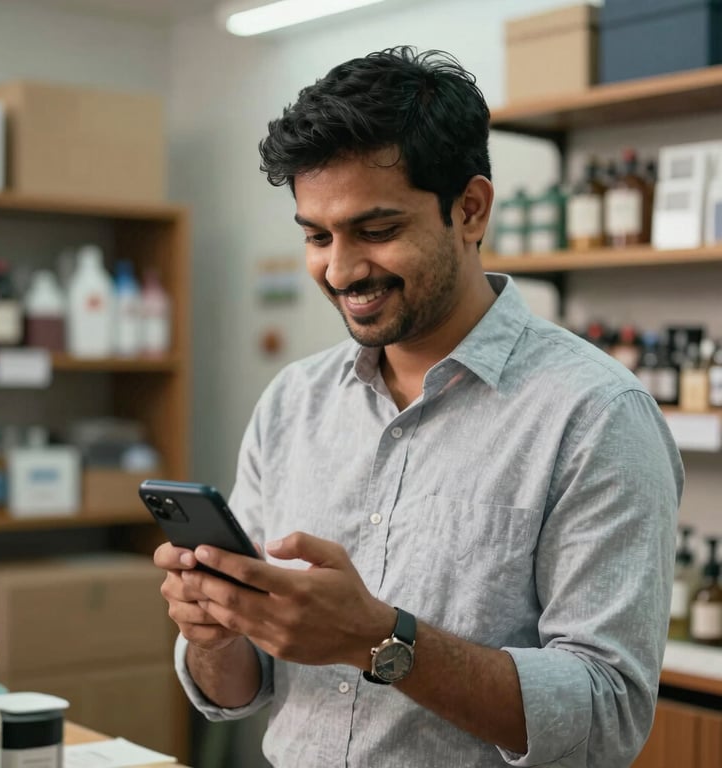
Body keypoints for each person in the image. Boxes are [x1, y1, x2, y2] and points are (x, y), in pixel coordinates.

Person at [154, 46, 684, 767]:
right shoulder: (293, 404)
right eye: (317, 236)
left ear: (469, 209)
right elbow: (243, 688)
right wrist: (218, 635)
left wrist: (378, 640)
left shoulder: (594, 414)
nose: (340, 270)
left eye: (377, 231)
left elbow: (606, 715)